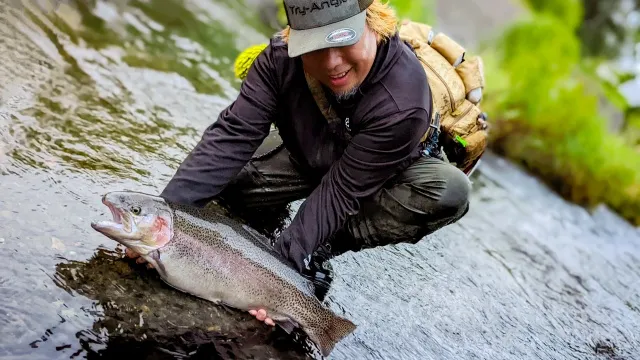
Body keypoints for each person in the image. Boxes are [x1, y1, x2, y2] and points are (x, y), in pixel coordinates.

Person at [127, 0, 471, 326]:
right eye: (316, 46)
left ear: (372, 23)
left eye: (343, 41)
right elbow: (231, 138)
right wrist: (163, 222)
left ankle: (321, 247)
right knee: (233, 182)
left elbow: (341, 191)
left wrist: (280, 273)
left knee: (449, 190)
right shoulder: (279, 58)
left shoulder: (403, 102)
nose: (333, 62)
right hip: (312, 148)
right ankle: (270, 217)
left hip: (379, 172)